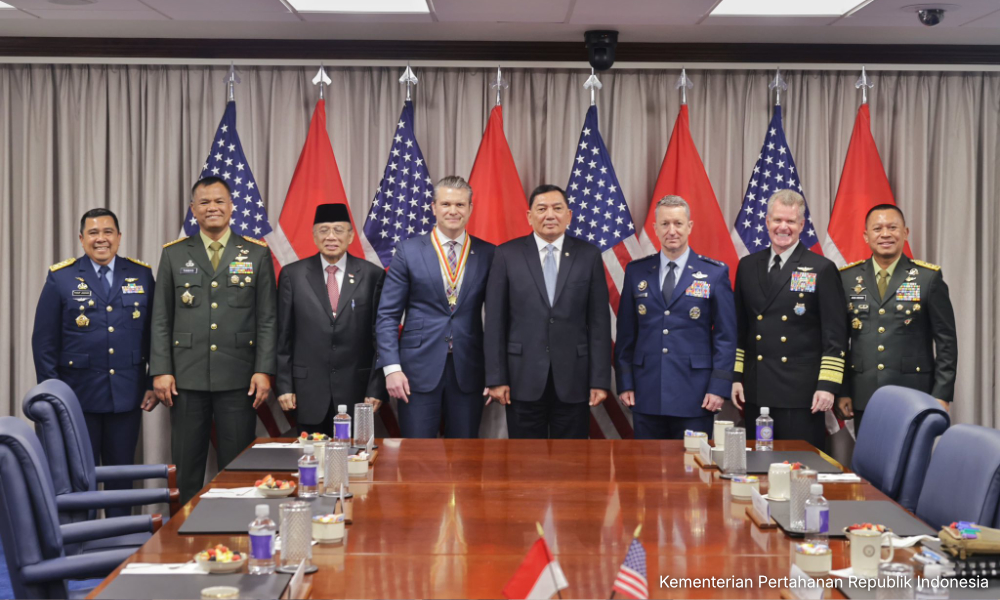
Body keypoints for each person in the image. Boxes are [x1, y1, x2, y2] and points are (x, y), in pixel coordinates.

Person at [150, 176, 277, 504]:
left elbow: (267, 318)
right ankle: (183, 527)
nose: (212, 208)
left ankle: (234, 527)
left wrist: (263, 370)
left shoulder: (256, 253)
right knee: (186, 466)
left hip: (238, 376)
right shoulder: (175, 254)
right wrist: (161, 370)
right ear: (193, 210)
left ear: (232, 206)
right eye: (204, 202)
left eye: (219, 201)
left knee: (237, 466)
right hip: (186, 377)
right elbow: (161, 318)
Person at [32, 208, 157, 517]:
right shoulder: (61, 277)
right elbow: (44, 343)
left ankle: (120, 537)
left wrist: (151, 381)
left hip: (126, 395)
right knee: (79, 479)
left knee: (121, 477)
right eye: (93, 233)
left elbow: (156, 333)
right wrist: (53, 396)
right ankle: (82, 540)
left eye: (108, 232)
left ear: (119, 237)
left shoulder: (141, 274)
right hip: (77, 398)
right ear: (81, 238)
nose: (101, 239)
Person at [485, 184, 611, 439]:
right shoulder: (507, 254)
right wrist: (497, 378)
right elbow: (495, 322)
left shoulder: (588, 255)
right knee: (525, 459)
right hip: (521, 378)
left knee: (572, 458)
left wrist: (599, 380)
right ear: (529, 216)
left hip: (574, 379)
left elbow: (599, 323)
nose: (550, 215)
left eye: (557, 208)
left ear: (569, 215)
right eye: (542, 209)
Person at [376, 176, 495, 438]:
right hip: (416, 371)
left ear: (470, 208)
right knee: (418, 454)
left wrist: (496, 373)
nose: (453, 211)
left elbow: (498, 317)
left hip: (469, 369)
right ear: (434, 207)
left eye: (460, 205)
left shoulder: (489, 253)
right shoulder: (408, 251)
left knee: (465, 454)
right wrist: (392, 368)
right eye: (446, 204)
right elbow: (387, 316)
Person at [731, 190, 847, 450]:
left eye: (791, 221)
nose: (783, 227)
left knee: (798, 465)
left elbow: (835, 335)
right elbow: (740, 329)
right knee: (758, 464)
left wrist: (827, 385)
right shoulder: (747, 266)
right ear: (767, 222)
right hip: (757, 389)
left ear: (802, 225)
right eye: (777, 220)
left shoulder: (821, 268)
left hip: (802, 395)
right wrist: (737, 377)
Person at [615, 196, 736, 439]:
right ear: (655, 228)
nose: (672, 231)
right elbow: (626, 333)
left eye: (678, 223)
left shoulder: (714, 273)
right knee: (646, 461)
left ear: (689, 226)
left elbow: (726, 337)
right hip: (646, 390)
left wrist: (718, 387)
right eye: (665, 224)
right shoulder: (637, 271)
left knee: (692, 462)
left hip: (696, 394)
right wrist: (625, 382)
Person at [837, 204, 957, 433]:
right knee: (869, 454)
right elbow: (839, 341)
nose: (885, 234)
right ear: (866, 236)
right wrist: (842, 390)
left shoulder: (927, 278)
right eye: (878, 228)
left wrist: (942, 393)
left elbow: (946, 342)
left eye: (892, 227)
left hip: (915, 393)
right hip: (863, 393)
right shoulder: (847, 278)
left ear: (905, 232)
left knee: (912, 454)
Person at [276, 204, 387, 436]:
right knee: (310, 454)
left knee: (354, 455)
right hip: (307, 391)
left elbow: (380, 337)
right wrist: (284, 385)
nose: (331, 237)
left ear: (350, 236)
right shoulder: (293, 275)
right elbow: (283, 335)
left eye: (338, 230)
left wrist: (376, 388)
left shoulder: (372, 275)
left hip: (357, 391)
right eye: (324, 230)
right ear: (314, 236)